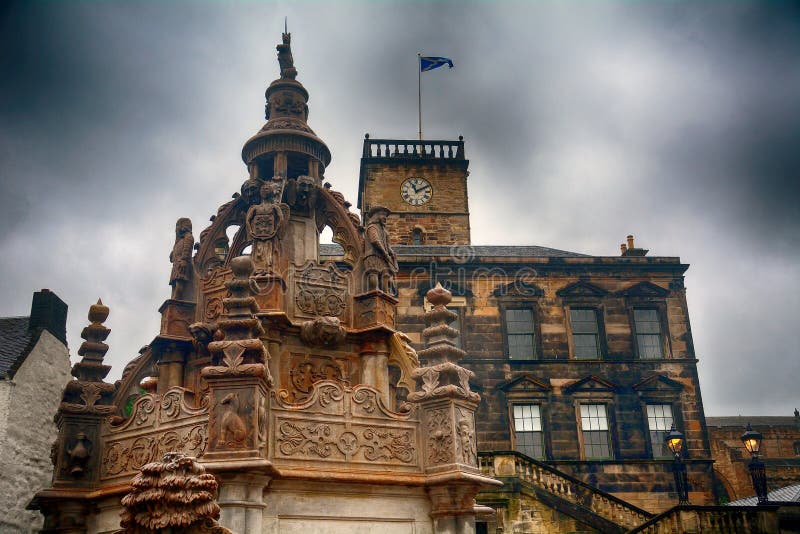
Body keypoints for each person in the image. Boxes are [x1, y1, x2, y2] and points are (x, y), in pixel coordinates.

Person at [363, 205, 398, 294]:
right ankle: (375, 293)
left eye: (386, 216)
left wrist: (391, 253)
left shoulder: (385, 231)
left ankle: (385, 294)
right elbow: (375, 241)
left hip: (383, 257)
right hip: (373, 255)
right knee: (374, 272)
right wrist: (385, 253)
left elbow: (387, 245)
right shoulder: (372, 227)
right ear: (376, 215)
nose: (385, 218)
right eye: (382, 215)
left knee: (386, 274)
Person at [169, 218, 194, 300]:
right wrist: (172, 254)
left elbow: (187, 249)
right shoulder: (179, 241)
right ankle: (173, 298)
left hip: (182, 262)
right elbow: (174, 254)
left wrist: (184, 260)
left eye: (178, 226)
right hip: (176, 263)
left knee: (180, 282)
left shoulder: (188, 237)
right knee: (174, 283)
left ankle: (177, 298)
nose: (176, 229)